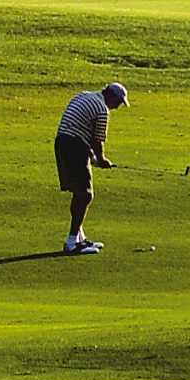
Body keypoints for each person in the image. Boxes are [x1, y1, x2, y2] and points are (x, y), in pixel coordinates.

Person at [55, 82, 127, 254]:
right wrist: (101, 159)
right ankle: (71, 243)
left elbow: (81, 130)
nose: (117, 107)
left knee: (79, 192)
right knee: (86, 194)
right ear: (111, 96)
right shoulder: (102, 109)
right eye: (118, 102)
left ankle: (80, 239)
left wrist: (92, 157)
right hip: (73, 145)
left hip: (62, 143)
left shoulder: (84, 95)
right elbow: (97, 141)